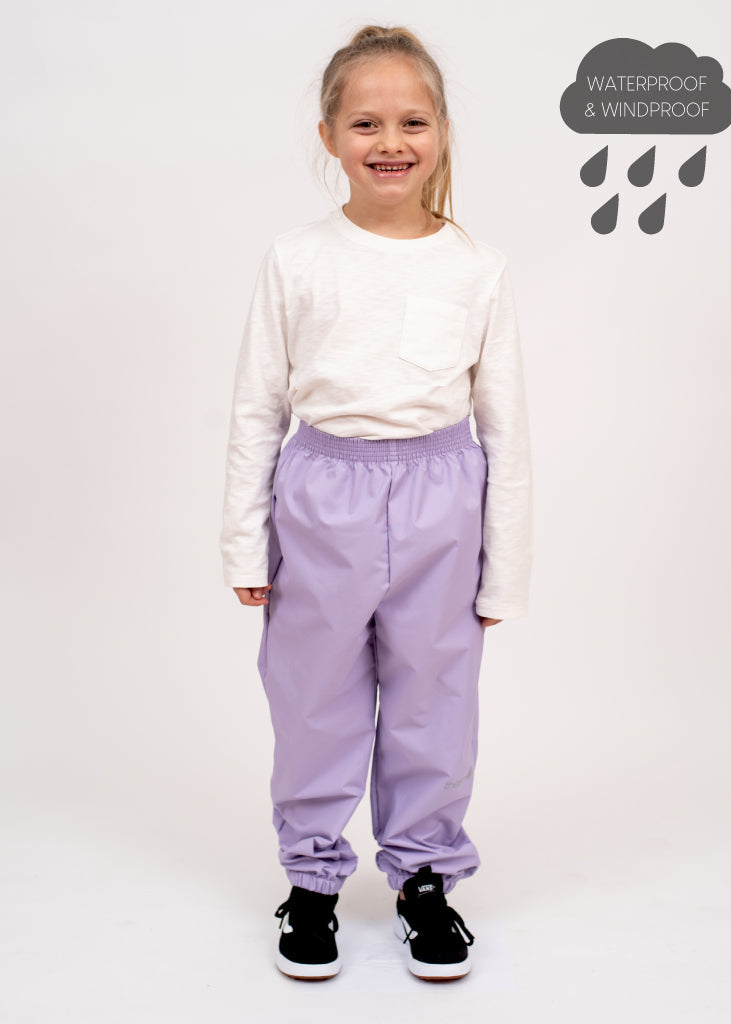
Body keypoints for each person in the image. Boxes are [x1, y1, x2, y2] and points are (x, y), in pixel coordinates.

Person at [220, 24, 533, 983]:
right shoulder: (296, 259)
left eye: (411, 121)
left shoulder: (476, 267)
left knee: (435, 700)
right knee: (313, 697)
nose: (389, 141)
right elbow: (257, 406)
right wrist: (244, 545)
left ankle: (425, 878)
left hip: (443, 501)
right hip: (322, 497)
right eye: (365, 123)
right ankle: (312, 880)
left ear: (441, 132)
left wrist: (505, 568)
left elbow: (505, 426)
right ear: (329, 136)